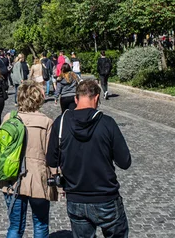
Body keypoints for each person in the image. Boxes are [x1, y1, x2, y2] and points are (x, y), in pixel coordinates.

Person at [46, 80, 131, 238]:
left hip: (76, 197)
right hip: (106, 197)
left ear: (76, 99)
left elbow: (51, 160)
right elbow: (125, 162)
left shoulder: (61, 123)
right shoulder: (107, 123)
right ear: (97, 98)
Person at [0, 80, 58, 237]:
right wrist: (59, 182)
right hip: (38, 178)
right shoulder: (46, 122)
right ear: (38, 98)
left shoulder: (9, 118)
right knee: (40, 224)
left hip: (12, 176)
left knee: (15, 227)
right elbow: (52, 155)